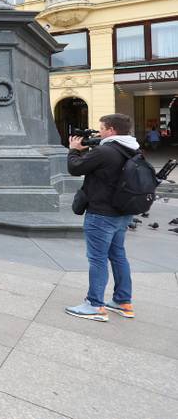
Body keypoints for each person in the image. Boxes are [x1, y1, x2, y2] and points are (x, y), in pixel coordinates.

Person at [65, 113, 138, 322]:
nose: (100, 132)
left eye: (102, 128)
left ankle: (95, 305)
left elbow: (75, 168)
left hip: (101, 214)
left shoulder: (105, 151)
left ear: (112, 130)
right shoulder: (132, 148)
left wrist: (74, 150)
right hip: (122, 212)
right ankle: (123, 301)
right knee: (118, 256)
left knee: (97, 259)